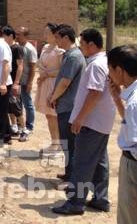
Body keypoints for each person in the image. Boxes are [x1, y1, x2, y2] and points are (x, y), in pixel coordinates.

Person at [53, 29, 115, 215]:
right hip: (101, 122)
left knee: (82, 163)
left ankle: (75, 202)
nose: (80, 48)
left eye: (82, 44)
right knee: (100, 162)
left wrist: (80, 118)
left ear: (92, 45)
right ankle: (100, 199)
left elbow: (95, 93)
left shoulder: (96, 65)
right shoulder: (105, 62)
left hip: (91, 122)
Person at [49, 24, 86, 184]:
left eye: (57, 37)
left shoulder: (73, 57)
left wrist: (53, 97)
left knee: (70, 144)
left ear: (66, 37)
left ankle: (72, 178)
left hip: (69, 106)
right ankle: (68, 173)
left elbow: (65, 82)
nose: (55, 40)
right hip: (66, 105)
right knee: (67, 143)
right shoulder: (70, 55)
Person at [107, 45, 137, 224]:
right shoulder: (132, 98)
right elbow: (130, 122)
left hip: (133, 165)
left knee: (128, 216)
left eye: (110, 70)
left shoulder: (133, 103)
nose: (109, 75)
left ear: (119, 70)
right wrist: (117, 99)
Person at [35, 23, 64, 154]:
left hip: (54, 84)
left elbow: (63, 71)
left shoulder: (60, 50)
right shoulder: (45, 47)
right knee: (48, 115)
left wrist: (47, 74)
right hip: (44, 83)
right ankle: (54, 142)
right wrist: (42, 74)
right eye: (44, 32)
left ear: (54, 34)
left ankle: (60, 144)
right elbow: (39, 64)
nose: (45, 35)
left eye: (47, 33)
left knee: (55, 115)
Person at [2, 26, 29, 142]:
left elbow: (20, 66)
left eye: (4, 36)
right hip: (7, 81)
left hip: (14, 81)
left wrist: (16, 82)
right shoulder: (6, 48)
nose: (2, 38)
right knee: (9, 106)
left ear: (10, 36)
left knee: (17, 106)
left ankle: (24, 129)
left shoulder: (17, 48)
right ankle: (14, 126)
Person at [16, 27, 37, 134]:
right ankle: (20, 124)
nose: (17, 36)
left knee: (28, 104)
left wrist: (30, 82)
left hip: (25, 81)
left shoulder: (30, 49)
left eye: (19, 34)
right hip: (18, 81)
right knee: (17, 103)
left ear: (26, 36)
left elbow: (33, 67)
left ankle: (29, 125)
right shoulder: (17, 46)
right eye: (16, 34)